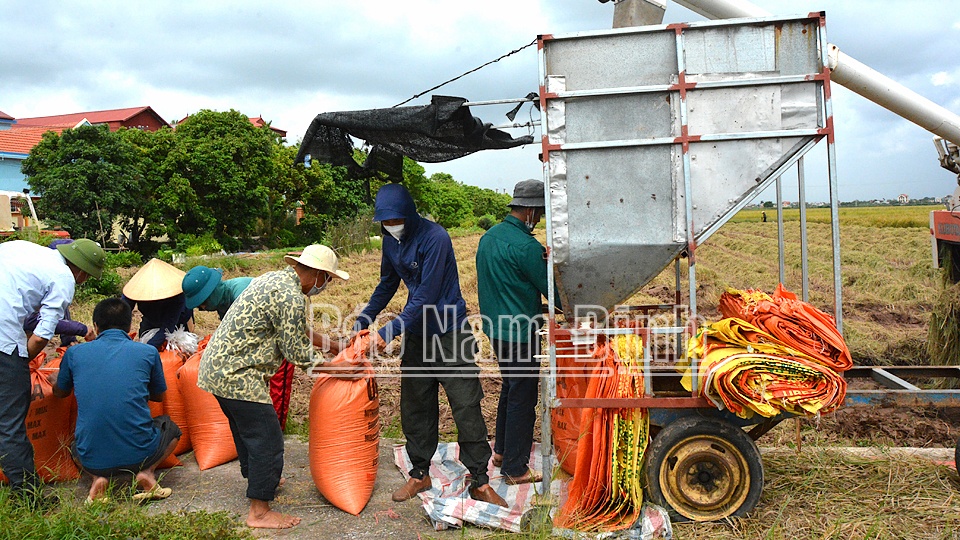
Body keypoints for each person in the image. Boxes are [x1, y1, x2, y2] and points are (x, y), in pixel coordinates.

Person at [353, 183, 507, 508]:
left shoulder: (435, 238)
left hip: (450, 332)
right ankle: (420, 472)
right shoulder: (390, 241)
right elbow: (387, 283)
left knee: (466, 405)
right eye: (384, 221)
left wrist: (391, 328)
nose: (390, 225)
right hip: (418, 336)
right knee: (416, 406)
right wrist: (366, 316)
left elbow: (427, 293)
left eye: (395, 219)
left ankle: (479, 480)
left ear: (409, 214)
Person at [198, 244, 352, 529]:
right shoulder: (291, 296)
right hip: (238, 375)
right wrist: (338, 368)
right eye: (328, 279)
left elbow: (293, 327)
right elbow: (298, 354)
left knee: (247, 433)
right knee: (267, 439)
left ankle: (259, 480)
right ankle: (259, 512)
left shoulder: (273, 279)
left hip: (216, 370)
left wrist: (332, 345)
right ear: (318, 274)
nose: (326, 286)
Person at [0, 238, 105, 498]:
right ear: (79, 270)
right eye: (87, 277)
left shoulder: (24, 248)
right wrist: (21, 367)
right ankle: (28, 498)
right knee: (10, 423)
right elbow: (40, 337)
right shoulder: (63, 277)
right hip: (3, 337)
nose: (84, 281)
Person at [53, 298, 182, 503]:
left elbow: (60, 393)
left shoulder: (74, 353)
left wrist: (56, 379)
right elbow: (159, 397)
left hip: (91, 459)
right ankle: (146, 473)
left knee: (75, 443)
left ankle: (98, 479)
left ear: (95, 326)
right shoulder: (147, 352)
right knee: (172, 429)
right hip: (141, 454)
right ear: (129, 326)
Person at [476, 179, 557, 485]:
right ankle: (516, 468)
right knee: (523, 396)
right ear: (530, 211)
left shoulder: (489, 237)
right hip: (521, 332)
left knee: (510, 388)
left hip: (495, 329)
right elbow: (552, 292)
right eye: (539, 213)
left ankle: (500, 451)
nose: (539, 220)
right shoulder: (527, 247)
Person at [182, 266, 294, 428]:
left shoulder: (242, 295)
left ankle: (276, 431)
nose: (202, 309)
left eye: (203, 303)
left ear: (212, 293)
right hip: (260, 345)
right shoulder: (222, 302)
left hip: (279, 339)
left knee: (277, 388)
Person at [121, 258, 193, 351]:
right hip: (150, 320)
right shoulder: (136, 289)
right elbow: (121, 315)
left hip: (177, 321)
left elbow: (167, 329)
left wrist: (144, 350)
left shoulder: (177, 295)